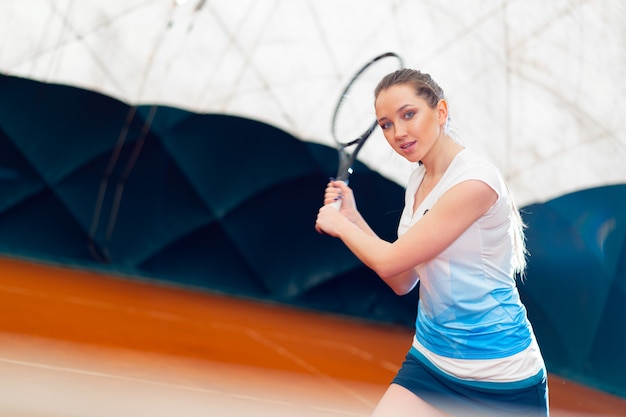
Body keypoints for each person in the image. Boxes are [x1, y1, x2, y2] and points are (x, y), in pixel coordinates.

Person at [315, 68, 549, 416]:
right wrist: (353, 217)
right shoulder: (419, 177)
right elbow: (402, 280)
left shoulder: (474, 182)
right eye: (386, 124)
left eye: (408, 114)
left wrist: (339, 226)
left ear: (441, 111)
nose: (399, 132)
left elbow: (390, 262)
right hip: (430, 360)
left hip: (500, 374)